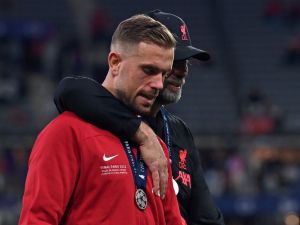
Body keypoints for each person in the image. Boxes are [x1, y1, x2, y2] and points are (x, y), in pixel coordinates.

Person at [54, 10, 225, 225]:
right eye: (176, 60)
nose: (182, 71)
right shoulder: (85, 120)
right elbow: (69, 90)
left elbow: (207, 217)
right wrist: (141, 132)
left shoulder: (179, 131)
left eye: (186, 62)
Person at [18, 14, 185, 225]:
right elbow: (38, 220)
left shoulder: (155, 147)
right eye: (149, 70)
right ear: (115, 63)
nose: (159, 84)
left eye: (164, 74)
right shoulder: (66, 133)